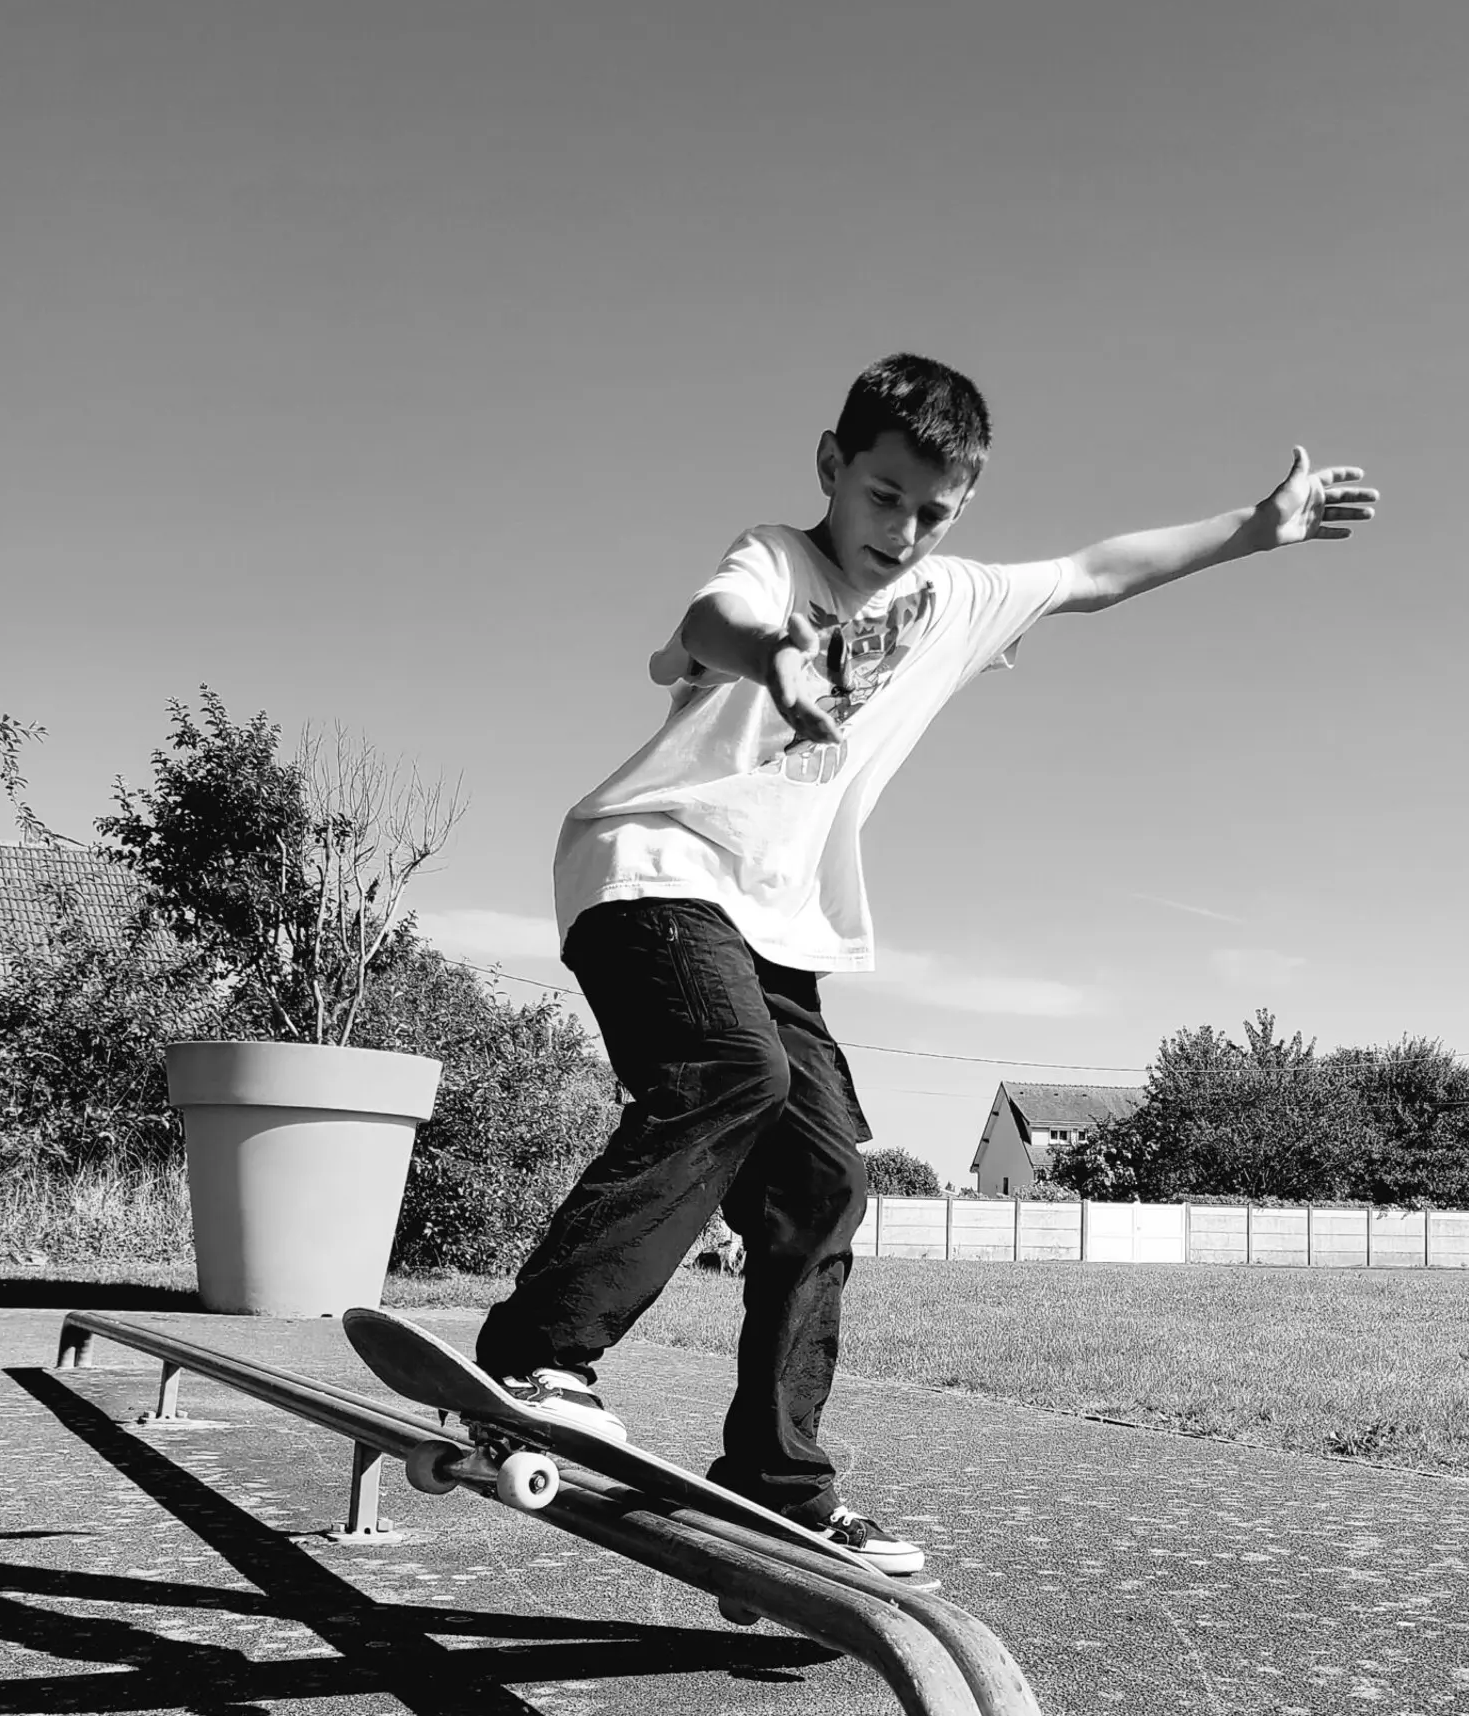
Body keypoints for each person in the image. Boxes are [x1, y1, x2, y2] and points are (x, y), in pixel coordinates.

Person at [476, 352, 1377, 1572]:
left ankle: (774, 1476)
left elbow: (1097, 574)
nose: (899, 532)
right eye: (882, 496)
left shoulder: (957, 599)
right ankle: (539, 1350)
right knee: (729, 1071)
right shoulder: (778, 562)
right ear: (830, 467)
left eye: (932, 511)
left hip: (773, 927)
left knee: (823, 1177)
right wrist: (774, 660)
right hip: (651, 870)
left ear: (964, 508)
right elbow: (710, 617)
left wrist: (1250, 532)